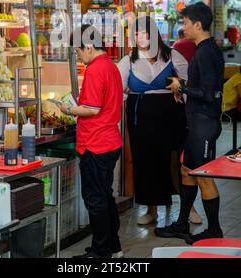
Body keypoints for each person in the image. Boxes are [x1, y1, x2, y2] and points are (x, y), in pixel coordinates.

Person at [155, 2, 225, 244]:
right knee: (187, 169)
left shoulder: (206, 52)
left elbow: (209, 93)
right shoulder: (204, 49)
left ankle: (214, 230)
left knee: (203, 175)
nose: (183, 28)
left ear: (197, 24)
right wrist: (183, 86)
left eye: (185, 23)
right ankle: (182, 224)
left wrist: (181, 86)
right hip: (197, 122)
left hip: (205, 123)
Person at [58, 25, 123, 258]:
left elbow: (91, 109)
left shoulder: (96, 69)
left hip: (96, 142)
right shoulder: (111, 66)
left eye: (78, 52)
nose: (79, 56)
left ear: (88, 46)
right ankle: (113, 247)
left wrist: (69, 109)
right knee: (105, 196)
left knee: (95, 199)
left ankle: (101, 251)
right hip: (110, 141)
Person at [118, 16, 188, 226]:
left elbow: (188, 83)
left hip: (170, 116)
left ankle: (188, 206)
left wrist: (180, 84)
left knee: (175, 160)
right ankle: (151, 209)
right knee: (145, 161)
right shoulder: (128, 60)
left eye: (144, 33)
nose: (140, 38)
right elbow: (118, 91)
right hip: (140, 119)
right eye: (136, 34)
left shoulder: (172, 55)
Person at [173, 27, 202, 225]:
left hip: (181, 108)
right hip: (191, 110)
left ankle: (188, 211)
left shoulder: (177, 48)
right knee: (189, 164)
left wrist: (180, 88)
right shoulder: (200, 48)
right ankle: (190, 210)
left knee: (182, 164)